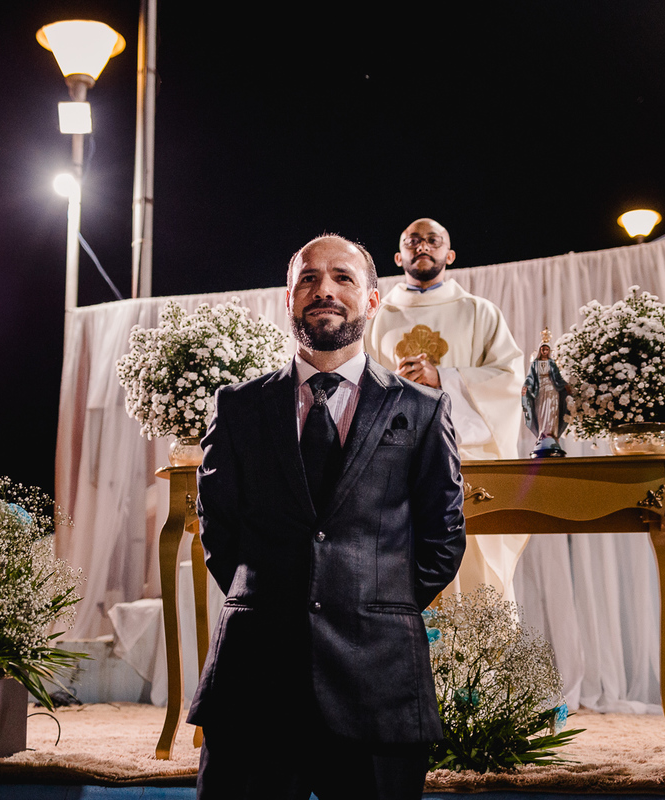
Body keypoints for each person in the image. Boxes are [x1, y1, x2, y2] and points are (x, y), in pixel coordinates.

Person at [188, 234, 466, 800]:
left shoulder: (422, 408)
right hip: (256, 677)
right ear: (288, 298)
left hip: (379, 680)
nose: (325, 290)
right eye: (309, 279)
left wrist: (375, 605)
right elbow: (219, 530)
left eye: (343, 277)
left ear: (373, 299)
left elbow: (443, 538)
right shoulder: (237, 405)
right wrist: (272, 599)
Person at [364, 217, 526, 602]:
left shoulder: (480, 312)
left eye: (432, 240)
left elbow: (509, 379)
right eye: (412, 241)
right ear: (398, 256)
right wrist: (395, 387)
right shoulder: (376, 317)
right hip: (398, 467)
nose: (422, 246)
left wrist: (444, 378)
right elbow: (359, 384)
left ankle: (476, 647)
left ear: (449, 254)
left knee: (475, 579)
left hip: (465, 463)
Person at [522, 335, 569, 457]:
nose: (544, 351)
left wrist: (565, 386)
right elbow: (530, 378)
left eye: (547, 349)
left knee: (552, 413)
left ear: (549, 351)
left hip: (552, 391)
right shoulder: (535, 364)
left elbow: (558, 378)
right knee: (541, 412)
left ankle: (552, 435)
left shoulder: (552, 363)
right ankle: (542, 435)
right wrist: (526, 386)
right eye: (543, 349)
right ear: (540, 350)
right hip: (540, 391)